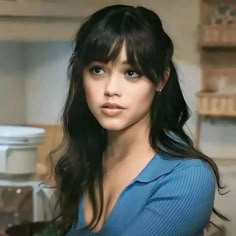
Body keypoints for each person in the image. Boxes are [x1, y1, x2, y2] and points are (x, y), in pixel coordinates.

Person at [53, 4, 227, 236]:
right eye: (97, 70)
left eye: (131, 73)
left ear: (161, 80)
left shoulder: (187, 177)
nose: (111, 89)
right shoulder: (86, 161)